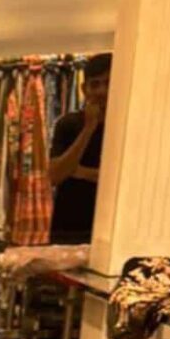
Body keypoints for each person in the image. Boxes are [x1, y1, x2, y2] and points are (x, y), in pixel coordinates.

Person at [49, 52, 111, 240]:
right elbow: (54, 175)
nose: (101, 91)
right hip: (69, 227)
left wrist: (79, 171)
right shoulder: (68, 124)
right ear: (84, 89)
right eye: (95, 84)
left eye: (108, 83)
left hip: (112, 226)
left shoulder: (128, 125)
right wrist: (89, 128)